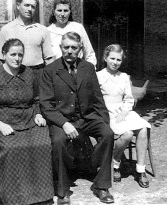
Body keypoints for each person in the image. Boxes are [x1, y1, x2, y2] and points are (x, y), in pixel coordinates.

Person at [0, 39, 54, 204]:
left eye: (20, 54)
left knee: (43, 143)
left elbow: (36, 99)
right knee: (12, 147)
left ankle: (39, 194)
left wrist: (38, 114)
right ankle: (14, 197)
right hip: (0, 122)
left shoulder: (29, 73)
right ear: (3, 55)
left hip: (28, 119)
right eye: (13, 54)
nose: (17, 58)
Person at [40, 32, 115, 204]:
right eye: (66, 47)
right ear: (60, 48)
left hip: (86, 117)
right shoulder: (50, 71)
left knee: (107, 134)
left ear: (80, 49)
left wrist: (105, 122)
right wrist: (64, 124)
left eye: (74, 47)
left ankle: (101, 186)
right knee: (58, 142)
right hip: (62, 119)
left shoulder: (88, 68)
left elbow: (97, 98)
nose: (70, 51)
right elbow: (46, 104)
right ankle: (62, 190)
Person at [96, 44, 151, 188]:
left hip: (123, 111)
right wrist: (106, 113)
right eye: (112, 58)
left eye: (118, 60)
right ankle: (115, 163)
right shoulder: (99, 76)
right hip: (106, 113)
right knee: (126, 135)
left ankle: (140, 170)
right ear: (105, 58)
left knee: (143, 128)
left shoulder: (124, 77)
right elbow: (95, 99)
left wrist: (125, 111)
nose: (115, 62)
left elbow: (128, 99)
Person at [0, 0, 54, 81]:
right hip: (13, 73)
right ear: (18, 5)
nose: (30, 9)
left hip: (37, 73)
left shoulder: (43, 30)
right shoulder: (6, 29)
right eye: (27, 5)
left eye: (33, 6)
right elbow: (1, 58)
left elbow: (48, 59)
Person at [47, 0, 97, 66]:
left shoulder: (78, 28)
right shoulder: (48, 31)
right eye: (59, 10)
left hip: (77, 69)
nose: (62, 14)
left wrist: (91, 71)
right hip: (57, 71)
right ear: (54, 12)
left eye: (65, 11)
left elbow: (89, 53)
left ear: (70, 12)